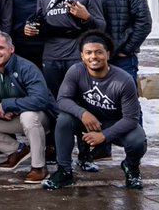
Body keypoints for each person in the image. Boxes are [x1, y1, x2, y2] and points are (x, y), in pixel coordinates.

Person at [45, 30, 146, 190]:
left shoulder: (124, 80)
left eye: (99, 52)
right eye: (89, 53)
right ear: (82, 56)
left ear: (108, 54)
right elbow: (62, 100)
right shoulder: (76, 71)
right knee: (64, 120)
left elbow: (131, 119)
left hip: (114, 123)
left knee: (137, 139)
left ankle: (131, 168)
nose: (93, 57)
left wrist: (104, 136)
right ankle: (64, 171)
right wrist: (83, 113)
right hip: (86, 121)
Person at [0, 29, 53, 184]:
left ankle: (39, 166)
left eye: (0, 48)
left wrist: (8, 105)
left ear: (11, 49)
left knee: (28, 116)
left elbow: (41, 100)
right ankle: (17, 150)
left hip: (40, 119)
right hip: (12, 120)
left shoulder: (26, 68)